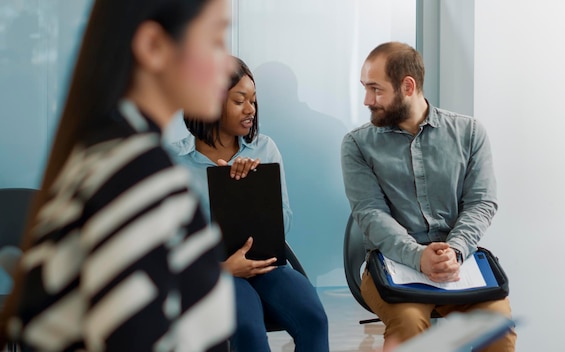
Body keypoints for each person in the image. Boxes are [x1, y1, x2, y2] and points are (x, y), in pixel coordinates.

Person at [0, 0, 235, 350]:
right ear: (153, 46)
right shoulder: (137, 173)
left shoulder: (103, 154)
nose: (228, 62)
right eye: (217, 39)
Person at [340, 42, 517, 351]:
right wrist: (418, 256)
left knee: (497, 329)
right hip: (392, 263)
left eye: (375, 89)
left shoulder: (470, 133)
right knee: (408, 325)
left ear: (407, 86)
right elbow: (370, 213)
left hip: (458, 263)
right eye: (365, 88)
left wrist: (455, 250)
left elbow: (481, 202)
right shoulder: (357, 145)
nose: (367, 100)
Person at [167, 57, 329, 352]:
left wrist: (252, 188)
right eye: (239, 101)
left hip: (267, 267)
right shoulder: (173, 161)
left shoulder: (265, 149)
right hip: (213, 271)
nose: (251, 110)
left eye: (253, 100)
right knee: (247, 327)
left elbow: (285, 223)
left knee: (314, 318)